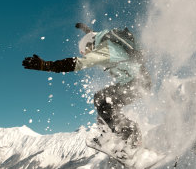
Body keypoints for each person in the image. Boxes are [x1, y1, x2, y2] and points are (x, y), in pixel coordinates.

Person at [22, 23, 150, 146]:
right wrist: (86, 30)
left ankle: (131, 136)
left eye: (88, 50)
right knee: (101, 100)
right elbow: (93, 35)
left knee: (103, 102)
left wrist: (46, 65)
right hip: (135, 82)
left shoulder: (104, 49)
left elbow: (80, 63)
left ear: (92, 44)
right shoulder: (106, 41)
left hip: (137, 84)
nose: (90, 54)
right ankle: (110, 137)